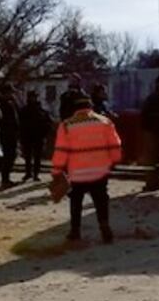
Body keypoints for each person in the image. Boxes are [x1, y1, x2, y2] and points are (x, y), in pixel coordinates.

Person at [51, 96, 122, 243]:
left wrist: (57, 171)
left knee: (76, 202)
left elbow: (61, 151)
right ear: (90, 107)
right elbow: (115, 144)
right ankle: (105, 228)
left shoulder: (66, 125)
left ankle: (75, 231)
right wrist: (115, 160)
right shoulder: (104, 122)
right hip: (100, 171)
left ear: (75, 109)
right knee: (101, 200)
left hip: (77, 173)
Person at [19, 90, 52, 181]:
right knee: (28, 157)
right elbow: (20, 124)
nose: (33, 99)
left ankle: (36, 174)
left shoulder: (41, 110)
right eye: (31, 97)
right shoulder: (24, 110)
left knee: (37, 157)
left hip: (38, 137)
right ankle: (28, 173)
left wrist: (44, 134)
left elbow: (48, 123)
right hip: (27, 137)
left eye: (35, 97)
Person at [0, 83, 20, 188]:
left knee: (11, 155)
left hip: (11, 132)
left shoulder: (10, 103)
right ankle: (4, 180)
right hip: (7, 133)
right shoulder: (2, 104)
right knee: (8, 156)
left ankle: (6, 178)